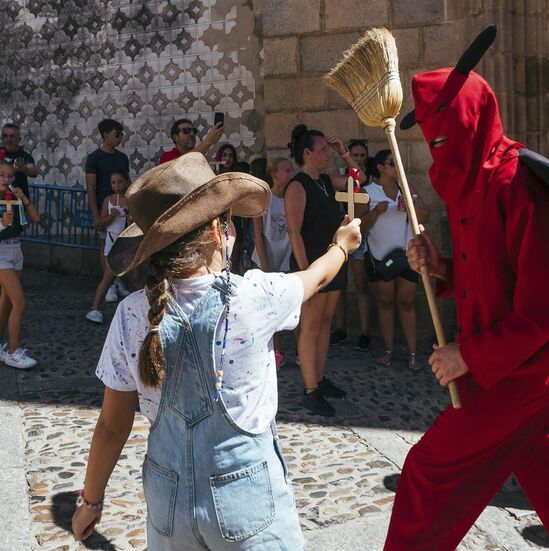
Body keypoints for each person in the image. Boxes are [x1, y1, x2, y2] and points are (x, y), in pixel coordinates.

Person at [384, 33, 549, 550]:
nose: (438, 152)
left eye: (443, 137)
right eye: (430, 142)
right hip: (523, 371)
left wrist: (467, 356)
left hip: (526, 371)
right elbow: (493, 274)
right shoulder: (470, 182)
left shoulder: (518, 184)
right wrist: (443, 268)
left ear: (472, 119)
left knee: (426, 476)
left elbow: (548, 305)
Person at [71, 152, 361, 549]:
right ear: (214, 232)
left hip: (167, 504)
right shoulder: (254, 296)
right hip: (249, 503)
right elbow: (315, 276)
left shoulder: (129, 314)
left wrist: (91, 499)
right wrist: (342, 247)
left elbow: (111, 426)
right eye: (229, 223)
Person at [284, 124, 366, 417]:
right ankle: (310, 390)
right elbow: (294, 233)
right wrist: (307, 276)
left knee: (325, 324)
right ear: (307, 153)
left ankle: (319, 378)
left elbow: (359, 180)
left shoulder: (327, 182)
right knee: (310, 327)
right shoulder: (297, 186)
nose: (327, 155)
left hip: (333, 263)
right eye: (324, 150)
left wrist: (345, 153)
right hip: (312, 268)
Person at [358, 149, 428, 369]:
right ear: (380, 168)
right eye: (392, 163)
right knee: (385, 303)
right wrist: (376, 213)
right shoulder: (368, 192)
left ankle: (413, 353)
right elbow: (360, 225)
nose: (397, 167)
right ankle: (388, 351)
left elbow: (424, 215)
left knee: (407, 303)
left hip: (407, 256)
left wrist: (411, 207)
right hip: (381, 257)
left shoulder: (405, 189)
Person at [252, 157, 295, 368]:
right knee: (271, 310)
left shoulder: (293, 196)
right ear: (274, 174)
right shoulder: (264, 198)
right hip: (266, 259)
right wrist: (265, 267)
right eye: (287, 170)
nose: (291, 174)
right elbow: (258, 235)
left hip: (287, 259)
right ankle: (276, 352)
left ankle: (299, 351)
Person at [331, 139, 373, 350]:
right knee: (339, 284)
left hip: (361, 235)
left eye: (361, 155)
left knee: (361, 284)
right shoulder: (343, 179)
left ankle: (365, 332)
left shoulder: (367, 181)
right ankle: (340, 328)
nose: (358, 159)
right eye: (355, 155)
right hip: (341, 233)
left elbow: (361, 178)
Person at [0, 158, 40, 368]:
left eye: (10, 175)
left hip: (16, 249)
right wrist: (1, 223)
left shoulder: (15, 191)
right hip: (1, 252)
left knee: (6, 302)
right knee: (20, 302)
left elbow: (35, 217)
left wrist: (24, 199)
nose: (7, 179)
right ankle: (13, 352)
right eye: (2, 175)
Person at [85, 119, 130, 303]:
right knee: (105, 246)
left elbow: (127, 182)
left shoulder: (122, 158)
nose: (119, 137)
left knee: (121, 245)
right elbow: (91, 187)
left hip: (122, 208)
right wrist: (96, 214)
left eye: (120, 134)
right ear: (105, 135)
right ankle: (109, 283)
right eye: (116, 134)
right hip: (106, 208)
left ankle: (117, 279)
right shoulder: (94, 158)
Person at [85, 171, 130, 324]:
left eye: (120, 182)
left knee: (136, 275)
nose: (117, 185)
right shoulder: (108, 200)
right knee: (108, 277)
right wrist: (111, 216)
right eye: (113, 182)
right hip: (112, 242)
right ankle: (94, 309)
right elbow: (101, 223)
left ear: (126, 182)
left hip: (126, 242)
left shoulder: (130, 200)